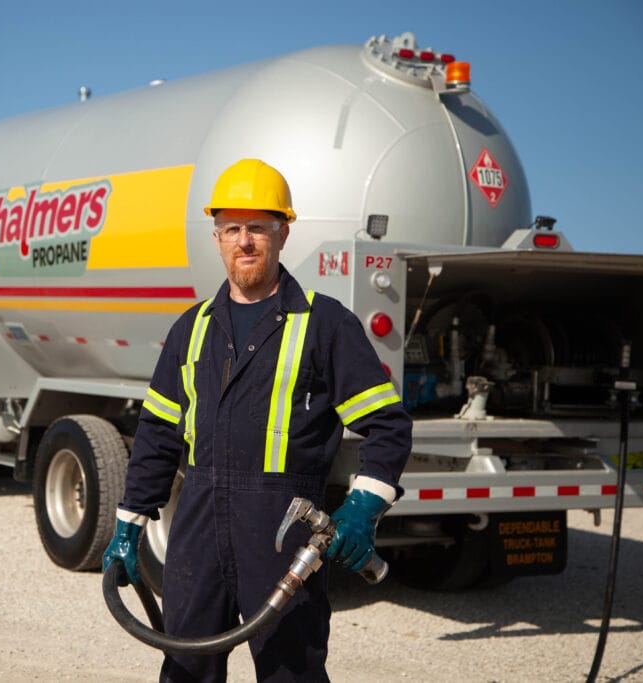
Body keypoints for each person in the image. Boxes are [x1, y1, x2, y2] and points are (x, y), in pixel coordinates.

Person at [103, 158, 413, 682]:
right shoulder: (192, 328)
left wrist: (363, 506)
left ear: (282, 233)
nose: (244, 241)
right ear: (218, 237)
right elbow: (157, 435)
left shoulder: (326, 324)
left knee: (290, 674)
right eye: (232, 229)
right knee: (185, 671)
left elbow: (388, 423)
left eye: (258, 229)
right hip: (197, 529)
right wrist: (129, 524)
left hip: (282, 533)